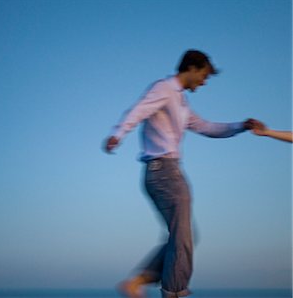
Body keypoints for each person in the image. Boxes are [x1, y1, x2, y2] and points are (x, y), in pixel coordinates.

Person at [103, 50, 259, 298]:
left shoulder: (181, 102)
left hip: (168, 171)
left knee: (185, 236)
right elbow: (139, 110)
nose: (204, 82)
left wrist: (241, 126)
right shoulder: (164, 88)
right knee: (182, 236)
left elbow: (207, 127)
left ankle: (138, 281)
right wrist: (118, 134)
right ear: (192, 69)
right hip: (163, 171)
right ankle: (174, 291)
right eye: (204, 76)